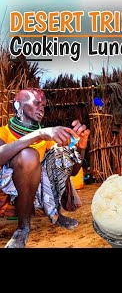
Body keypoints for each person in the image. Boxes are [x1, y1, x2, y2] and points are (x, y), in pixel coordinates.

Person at [0, 88, 90, 248]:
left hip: (36, 194)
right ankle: (23, 228)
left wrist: (80, 146)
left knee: (61, 153)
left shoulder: (46, 140)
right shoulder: (3, 133)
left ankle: (55, 214)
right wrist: (39, 134)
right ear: (18, 105)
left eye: (44, 104)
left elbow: (73, 171)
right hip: (7, 194)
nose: (41, 107)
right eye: (36, 103)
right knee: (29, 155)